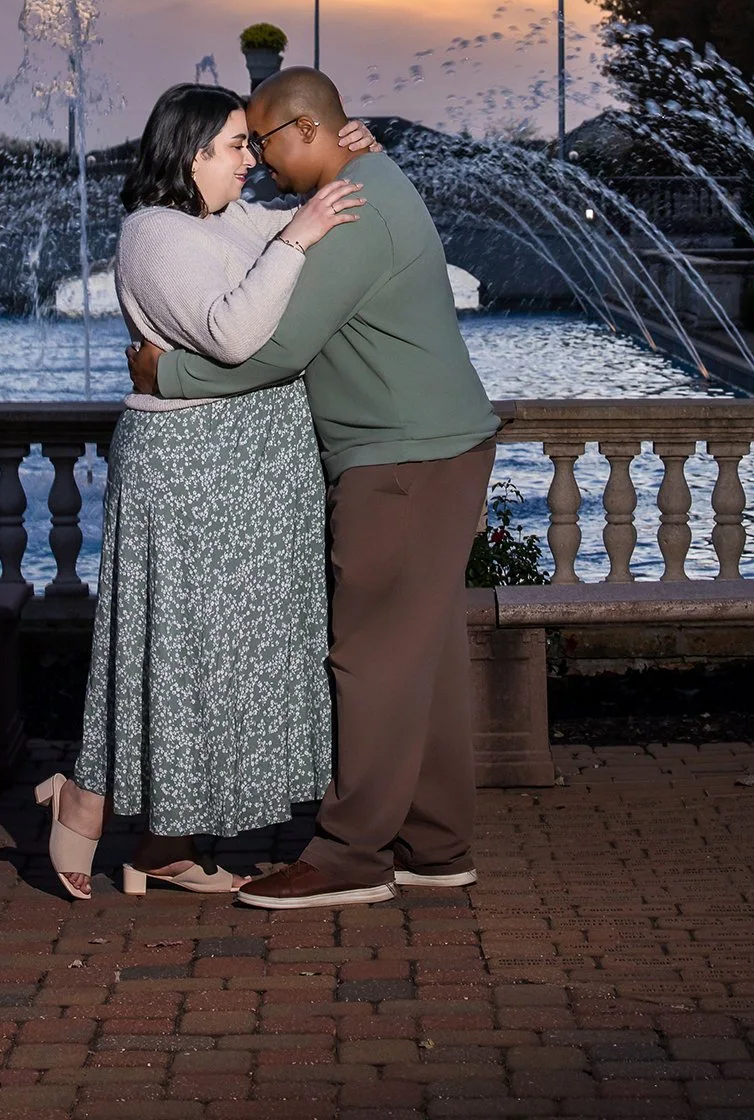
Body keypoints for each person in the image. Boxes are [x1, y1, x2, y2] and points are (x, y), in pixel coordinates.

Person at [128, 66, 501, 911]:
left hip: (401, 461)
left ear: (304, 131)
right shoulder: (366, 179)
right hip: (434, 450)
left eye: (261, 142)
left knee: (368, 660)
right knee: (424, 661)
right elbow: (260, 240)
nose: (256, 160)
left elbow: (274, 349)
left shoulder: (353, 212)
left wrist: (167, 375)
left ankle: (349, 856)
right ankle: (436, 847)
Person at [35, 82, 379, 900]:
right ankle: (85, 797)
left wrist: (350, 150)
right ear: (192, 154)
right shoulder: (153, 234)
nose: (251, 159)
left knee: (226, 660)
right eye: (236, 145)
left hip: (249, 472)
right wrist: (297, 235)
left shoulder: (217, 219)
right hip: (192, 473)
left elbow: (308, 222)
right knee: (177, 648)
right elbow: (233, 333)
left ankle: (165, 845)